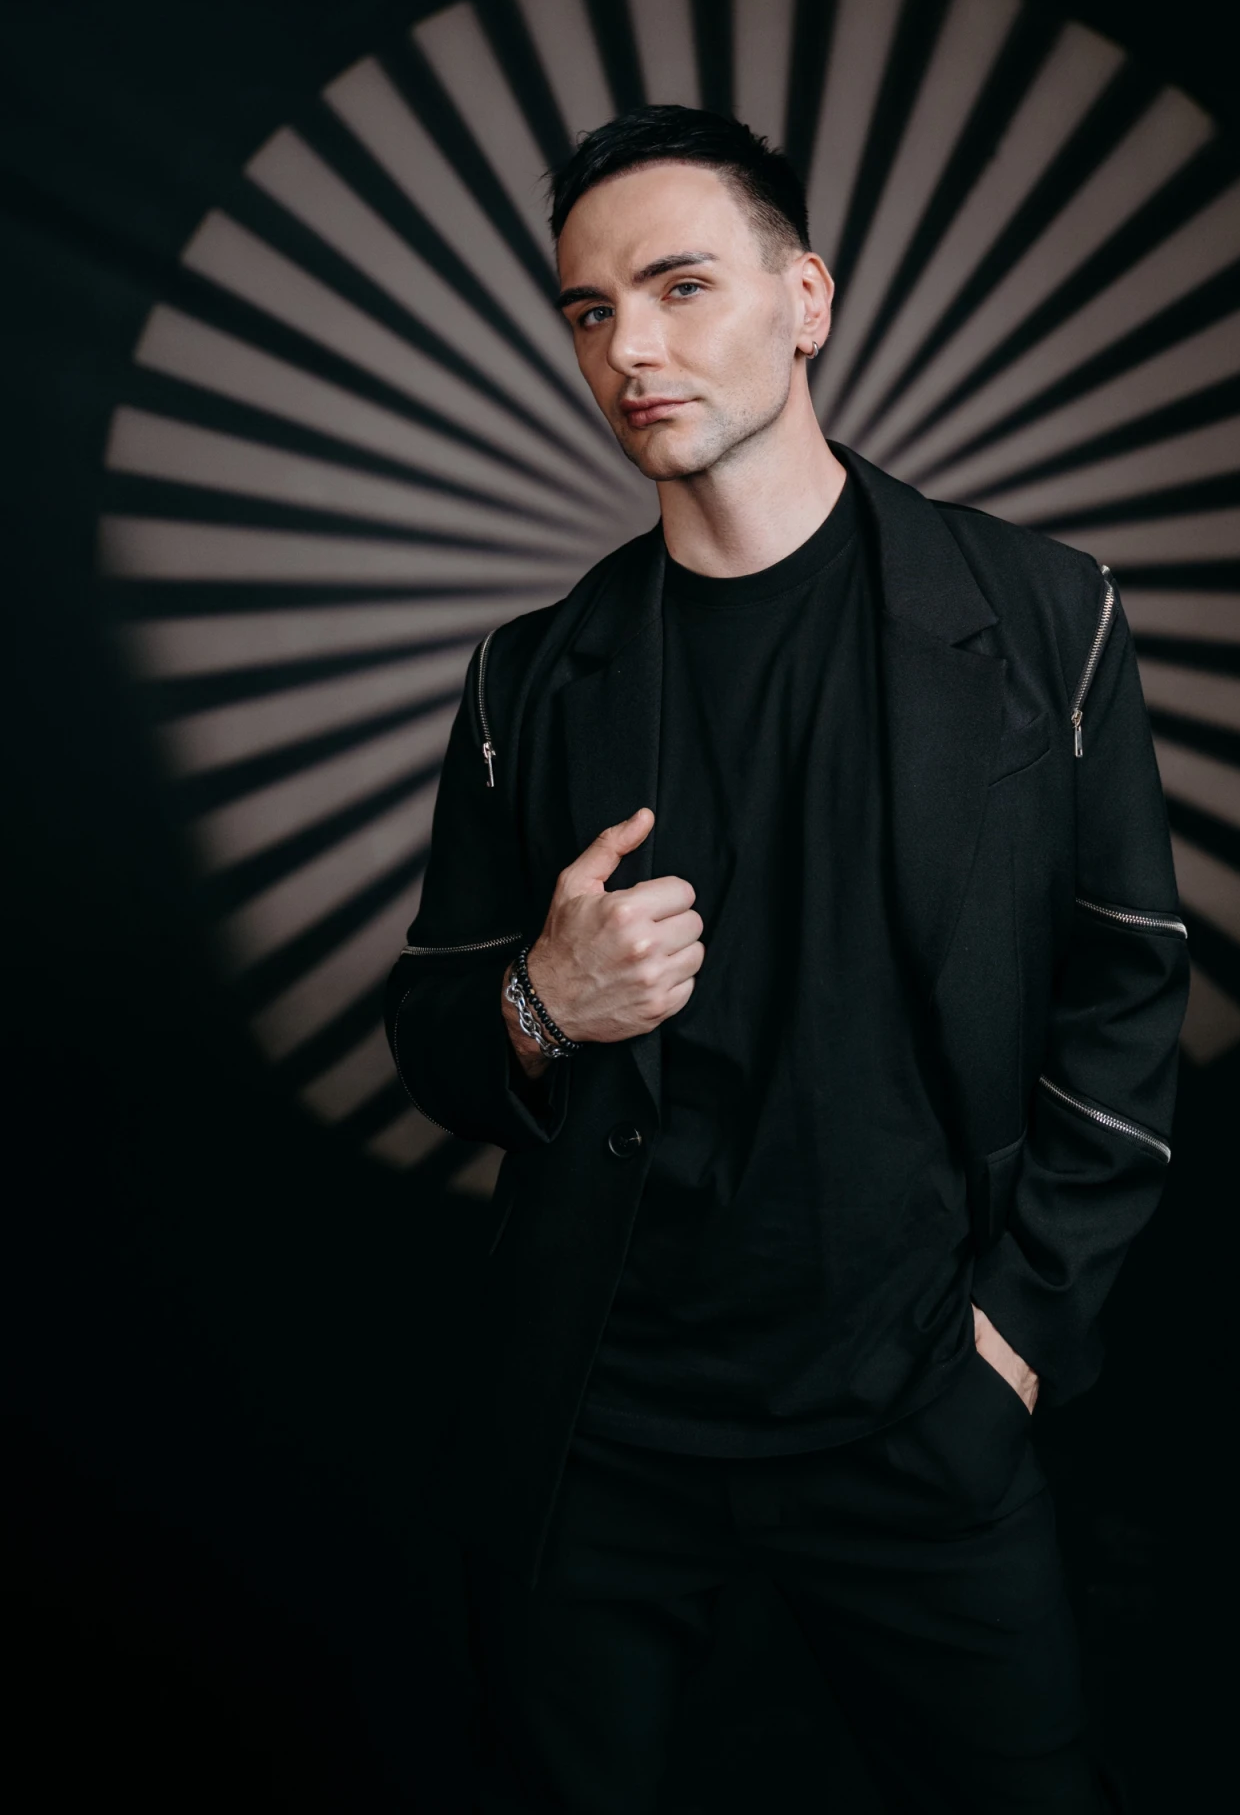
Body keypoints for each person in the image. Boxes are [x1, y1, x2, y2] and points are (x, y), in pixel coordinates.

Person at [385, 105, 1189, 1813]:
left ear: (806, 298)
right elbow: (436, 1031)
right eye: (591, 309)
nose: (631, 348)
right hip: (607, 1432)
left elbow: (1127, 1000)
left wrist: (1014, 1343)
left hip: (922, 1407)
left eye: (680, 286)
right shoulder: (528, 677)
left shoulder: (1048, 616)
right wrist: (542, 1002)